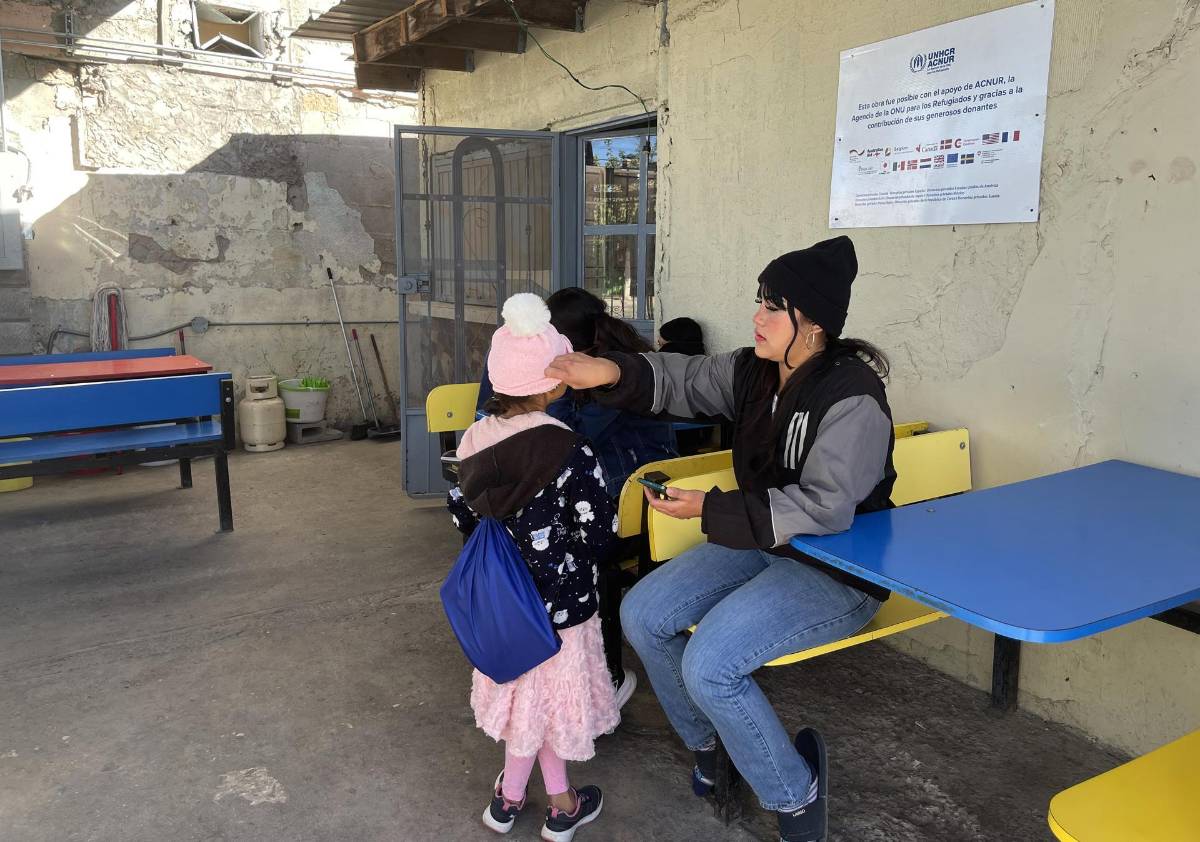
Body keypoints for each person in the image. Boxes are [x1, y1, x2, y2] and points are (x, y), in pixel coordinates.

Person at [545, 236, 894, 842]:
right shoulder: (754, 372)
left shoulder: (852, 396)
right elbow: (682, 378)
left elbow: (825, 508)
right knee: (643, 612)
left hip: (838, 565)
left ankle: (795, 795)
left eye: (773, 307)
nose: (757, 316)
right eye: (759, 300)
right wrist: (608, 369)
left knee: (711, 663)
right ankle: (710, 744)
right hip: (762, 541)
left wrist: (710, 508)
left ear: (812, 323)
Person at [448, 293, 619, 842]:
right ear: (552, 384)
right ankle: (562, 805)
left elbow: (462, 515)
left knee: (526, 701)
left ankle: (508, 800)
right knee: (546, 706)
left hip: (501, 602)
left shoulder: (472, 440)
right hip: (562, 607)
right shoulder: (571, 451)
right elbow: (598, 535)